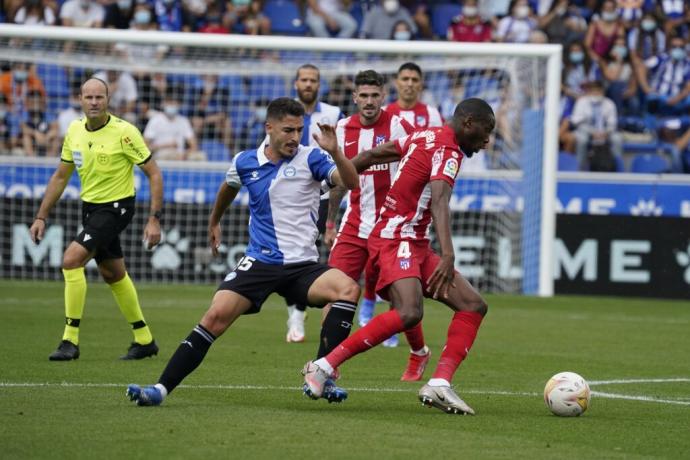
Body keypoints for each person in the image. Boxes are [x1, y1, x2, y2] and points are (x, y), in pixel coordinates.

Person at [126, 97, 360, 407]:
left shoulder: (313, 158)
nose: (294, 137)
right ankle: (159, 390)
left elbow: (350, 182)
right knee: (214, 317)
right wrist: (214, 221)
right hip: (261, 262)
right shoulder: (245, 161)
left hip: (302, 266)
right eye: (288, 130)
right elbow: (228, 187)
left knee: (348, 288)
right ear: (269, 128)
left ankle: (321, 372)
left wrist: (335, 151)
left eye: (298, 130)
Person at [303, 98, 495, 415]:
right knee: (408, 311)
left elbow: (370, 156)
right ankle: (323, 366)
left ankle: (440, 384)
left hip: (412, 241)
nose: (487, 140)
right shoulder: (448, 150)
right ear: (469, 123)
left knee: (473, 305)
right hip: (397, 237)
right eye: (486, 131)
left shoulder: (424, 135)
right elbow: (440, 200)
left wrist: (340, 169)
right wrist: (448, 253)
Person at [29, 77, 163, 361]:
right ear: (80, 99)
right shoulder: (74, 130)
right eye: (88, 97)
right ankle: (144, 339)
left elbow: (154, 173)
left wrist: (154, 218)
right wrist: (41, 216)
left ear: (108, 99)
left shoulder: (125, 133)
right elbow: (61, 176)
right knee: (113, 274)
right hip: (90, 209)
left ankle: (70, 340)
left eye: (99, 97)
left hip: (117, 207)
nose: (93, 102)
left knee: (70, 260)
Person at [324, 69, 430, 380]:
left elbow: (420, 160)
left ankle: (418, 351)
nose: (369, 102)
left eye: (375, 96)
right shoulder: (342, 129)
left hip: (391, 229)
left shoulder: (398, 125)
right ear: (354, 97)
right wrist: (330, 222)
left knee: (402, 304)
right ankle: (327, 364)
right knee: (334, 292)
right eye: (363, 96)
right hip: (354, 225)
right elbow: (338, 182)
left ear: (383, 97)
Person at [284, 64, 344, 344]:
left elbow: (341, 152)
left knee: (311, 252)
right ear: (296, 83)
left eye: (313, 80)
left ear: (319, 84)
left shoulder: (333, 114)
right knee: (293, 252)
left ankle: (304, 307)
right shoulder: (283, 111)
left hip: (320, 194)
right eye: (304, 79)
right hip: (289, 194)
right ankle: (296, 313)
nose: (308, 84)